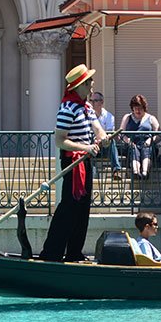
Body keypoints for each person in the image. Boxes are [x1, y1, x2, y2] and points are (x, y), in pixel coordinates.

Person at [40, 64, 109, 263]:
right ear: (80, 85)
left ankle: (74, 253)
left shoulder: (87, 107)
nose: (92, 84)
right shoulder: (67, 109)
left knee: (83, 207)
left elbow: (97, 129)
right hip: (72, 161)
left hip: (85, 162)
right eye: (89, 82)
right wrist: (86, 147)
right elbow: (60, 140)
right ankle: (51, 253)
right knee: (69, 207)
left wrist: (103, 137)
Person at [120, 94, 160, 179]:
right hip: (132, 145)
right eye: (135, 108)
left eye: (140, 108)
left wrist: (150, 140)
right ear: (132, 108)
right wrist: (128, 141)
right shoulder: (127, 117)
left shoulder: (151, 118)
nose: (138, 110)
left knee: (146, 149)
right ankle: (136, 172)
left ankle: (145, 172)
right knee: (134, 150)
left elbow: (159, 134)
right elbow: (121, 133)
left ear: (144, 108)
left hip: (147, 144)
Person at [89, 91, 122, 180]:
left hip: (104, 146)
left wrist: (101, 139)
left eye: (95, 101)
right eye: (91, 100)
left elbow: (110, 133)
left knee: (112, 142)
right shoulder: (87, 115)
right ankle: (91, 172)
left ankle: (116, 170)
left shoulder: (109, 116)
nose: (92, 103)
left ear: (102, 102)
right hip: (91, 145)